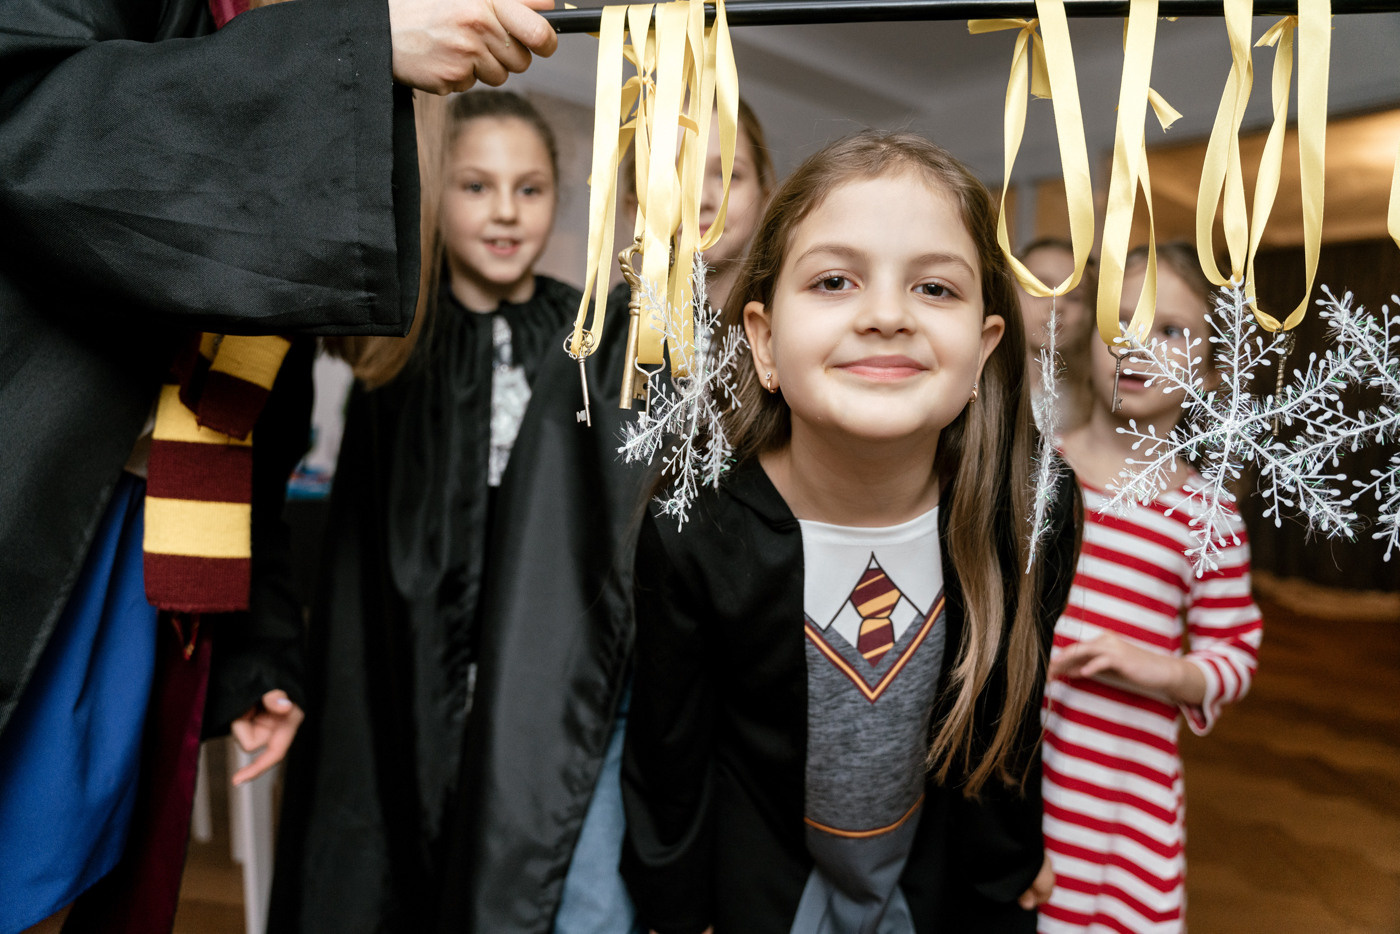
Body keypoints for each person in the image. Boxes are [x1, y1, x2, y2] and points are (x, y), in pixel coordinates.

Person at [0, 0, 556, 929]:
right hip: (35, 495)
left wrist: (260, 644)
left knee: (73, 872)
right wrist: (357, 49)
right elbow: (30, 115)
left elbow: (259, 403)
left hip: (156, 551)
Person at [620, 131, 1081, 934]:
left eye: (935, 288)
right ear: (764, 340)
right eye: (834, 281)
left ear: (984, 348)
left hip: (944, 891)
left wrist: (1011, 863)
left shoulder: (1030, 509)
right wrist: (677, 909)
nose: (886, 316)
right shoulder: (699, 532)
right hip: (761, 891)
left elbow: (1010, 716)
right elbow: (671, 761)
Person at [436, 96, 776, 934]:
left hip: (752, 697)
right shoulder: (598, 346)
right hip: (623, 691)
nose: (700, 194)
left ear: (768, 193)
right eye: (670, 177)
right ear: (630, 205)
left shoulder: (796, 340)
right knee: (594, 900)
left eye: (727, 174)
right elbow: (554, 540)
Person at [268, 89, 578, 934]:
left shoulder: (584, 335)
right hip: (398, 651)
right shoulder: (387, 332)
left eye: (530, 188)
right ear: (435, 190)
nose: (506, 212)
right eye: (476, 186)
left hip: (530, 662)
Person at [1038, 242, 1263, 934]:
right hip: (1025, 781)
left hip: (1124, 801)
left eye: (1169, 330)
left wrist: (1159, 669)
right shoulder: (1035, 475)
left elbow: (1234, 657)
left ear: (1213, 368)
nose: (1137, 345)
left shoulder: (1209, 517)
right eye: (1122, 320)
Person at [1015, 237, 1096, 434]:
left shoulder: (1092, 402)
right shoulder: (974, 382)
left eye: (1074, 297)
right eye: (1040, 288)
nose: (1057, 305)